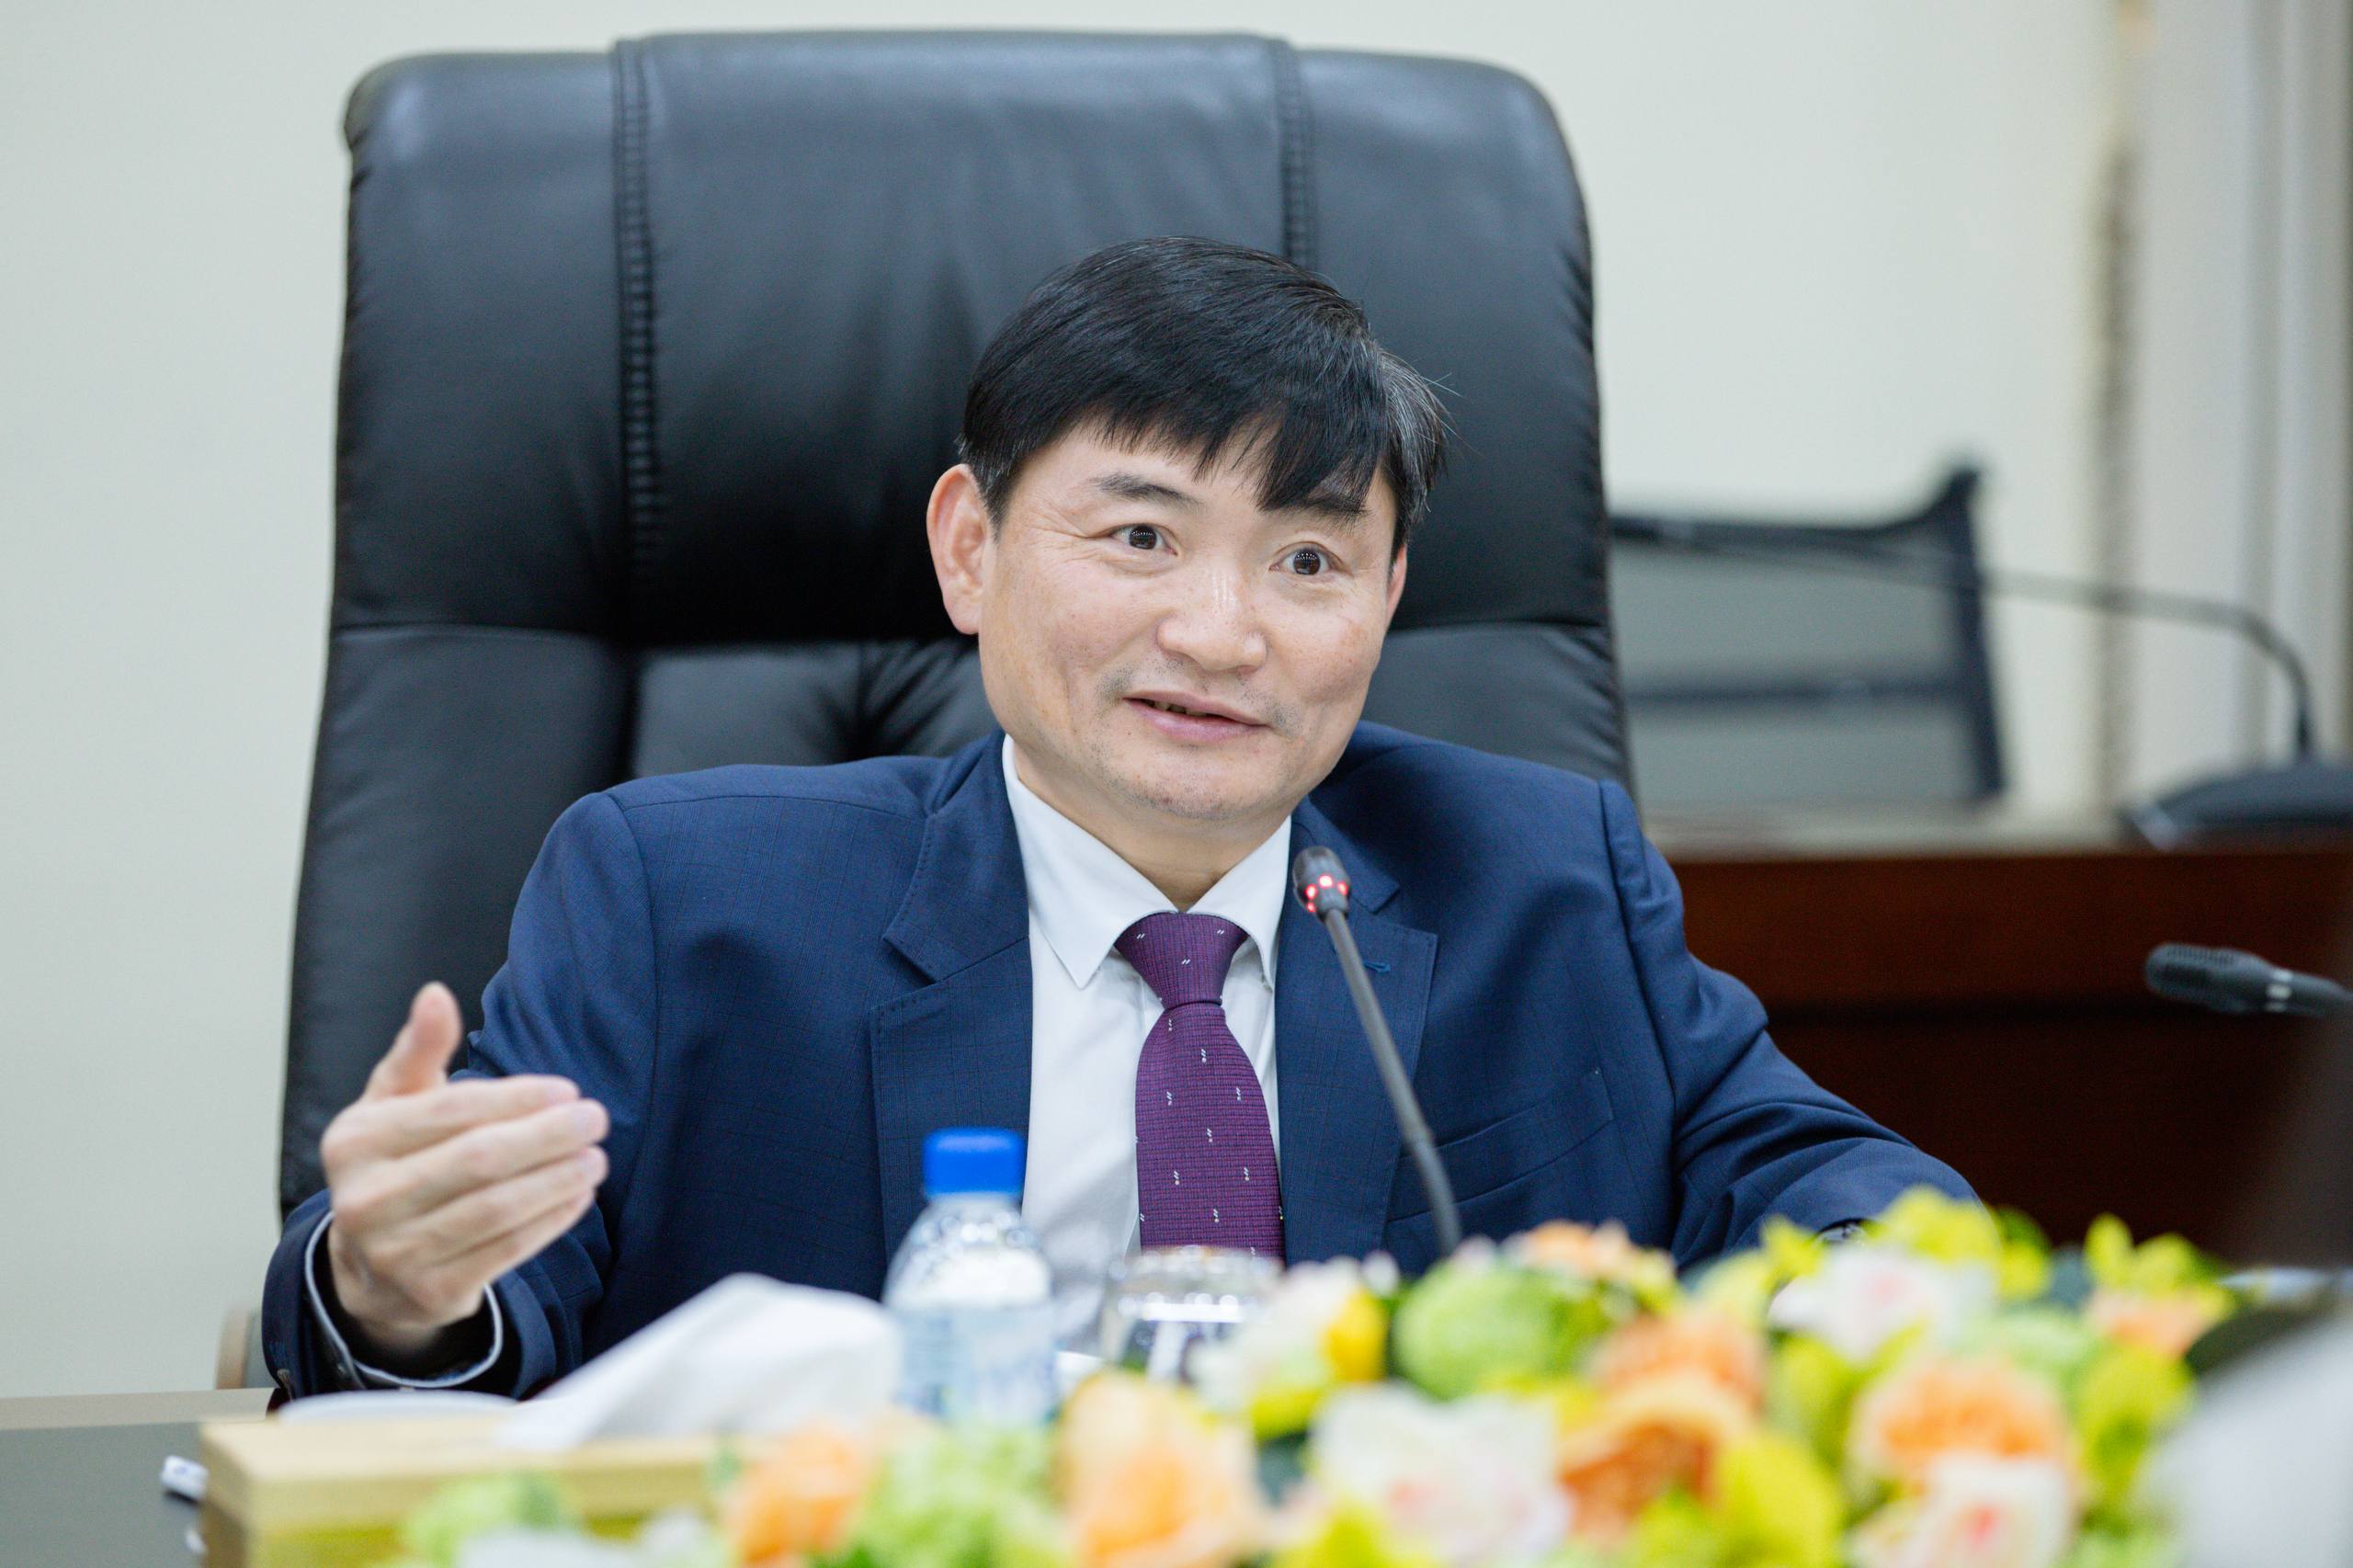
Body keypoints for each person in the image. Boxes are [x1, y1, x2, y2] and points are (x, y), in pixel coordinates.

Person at [260, 236, 1969, 1398]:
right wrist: (395, 1287)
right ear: (970, 550)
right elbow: (466, 1301)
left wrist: (1854, 1284)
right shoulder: (682, 896)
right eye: (1141, 537)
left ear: (1387, 599)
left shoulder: (1542, 882)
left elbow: (1837, 1189)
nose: (1222, 634)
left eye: (1309, 559)